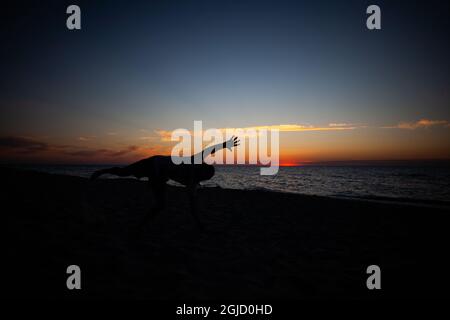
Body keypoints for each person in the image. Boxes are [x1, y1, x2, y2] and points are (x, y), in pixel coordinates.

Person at [90, 136, 240, 229]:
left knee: (161, 205)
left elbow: (192, 205)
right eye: (203, 172)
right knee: (124, 172)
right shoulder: (193, 161)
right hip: (154, 163)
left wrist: (199, 223)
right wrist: (226, 144)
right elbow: (210, 149)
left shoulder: (192, 183)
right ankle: (102, 172)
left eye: (203, 176)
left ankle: (140, 226)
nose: (200, 175)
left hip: (159, 175)